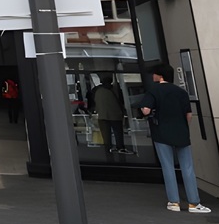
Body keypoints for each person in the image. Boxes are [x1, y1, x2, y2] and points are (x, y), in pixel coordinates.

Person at [135, 64, 210, 213]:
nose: (152, 77)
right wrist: (182, 126)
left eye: (154, 74)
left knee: (168, 167)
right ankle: (194, 203)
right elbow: (189, 114)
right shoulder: (181, 92)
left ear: (160, 76)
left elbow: (146, 110)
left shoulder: (153, 91)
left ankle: (174, 202)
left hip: (161, 132)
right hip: (181, 132)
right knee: (187, 167)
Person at [88, 73, 130, 155]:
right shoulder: (116, 89)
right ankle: (120, 147)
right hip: (115, 115)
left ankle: (108, 149)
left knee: (106, 136)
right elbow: (121, 101)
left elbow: (92, 102)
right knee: (118, 133)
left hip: (102, 115)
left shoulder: (95, 90)